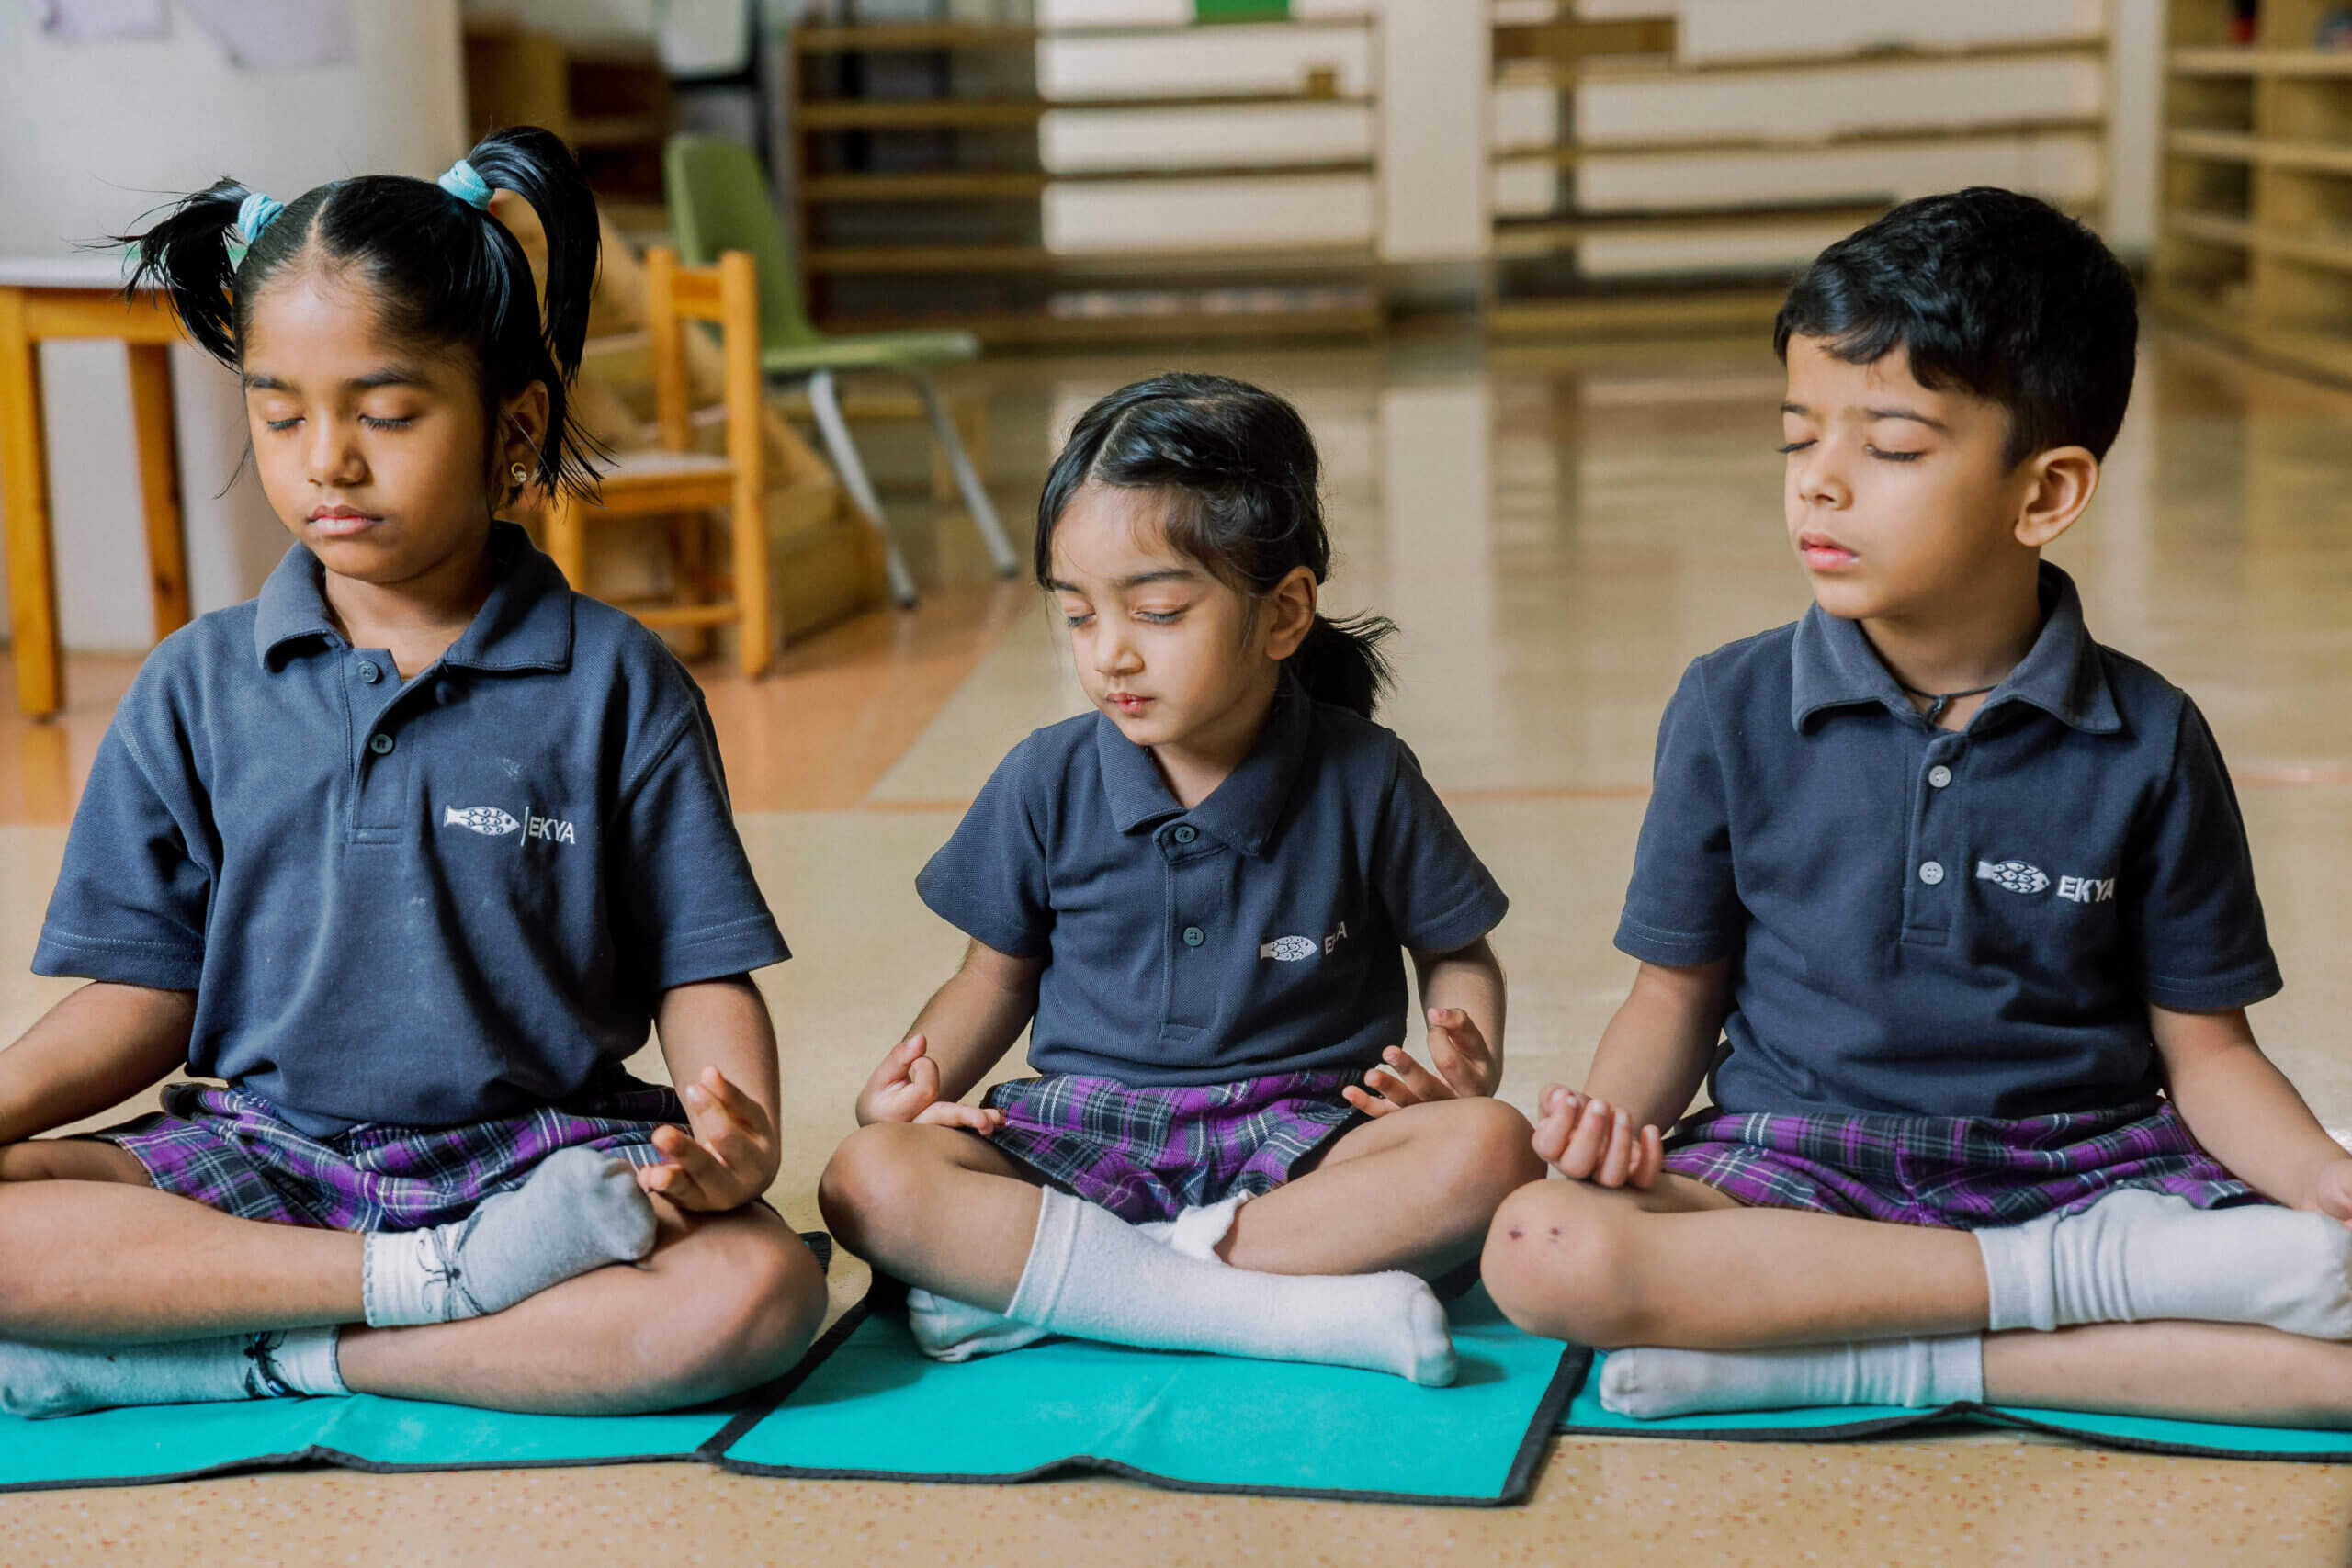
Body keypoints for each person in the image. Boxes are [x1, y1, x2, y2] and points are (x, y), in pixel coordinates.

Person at [1482, 188, 2352, 1428]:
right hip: (1801, 1160)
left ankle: (1855, 1352)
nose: (1819, 488)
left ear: (2045, 493)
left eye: (1888, 447)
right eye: (1798, 439)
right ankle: (2047, 1308)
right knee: (1539, 1240)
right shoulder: (1728, 704)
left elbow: (2207, 1054)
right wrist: (1612, 1127)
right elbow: (1674, 996)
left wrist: (2323, 1174)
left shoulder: (2151, 737)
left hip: (2079, 1162)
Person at [0, 128, 824, 1419]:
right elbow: (146, 993)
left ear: (517, 424)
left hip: (544, 1155)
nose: (325, 456)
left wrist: (737, 1134)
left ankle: (276, 1350)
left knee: (758, 1290)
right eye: (280, 413)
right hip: (266, 1151)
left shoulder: (618, 681)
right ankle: (429, 1286)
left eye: (384, 413)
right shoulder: (195, 685)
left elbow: (698, 968)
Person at [820, 372, 1542, 1385]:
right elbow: (991, 977)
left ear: (1284, 612)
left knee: (1491, 1151)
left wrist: (1471, 1065)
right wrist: (909, 1084)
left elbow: (1456, 952)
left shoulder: (1365, 775)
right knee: (869, 1179)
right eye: (1077, 616)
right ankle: (1267, 1309)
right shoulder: (1045, 774)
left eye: (1156, 612)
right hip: (1081, 1130)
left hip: (1304, 1132)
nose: (1109, 652)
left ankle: (1077, 1293)